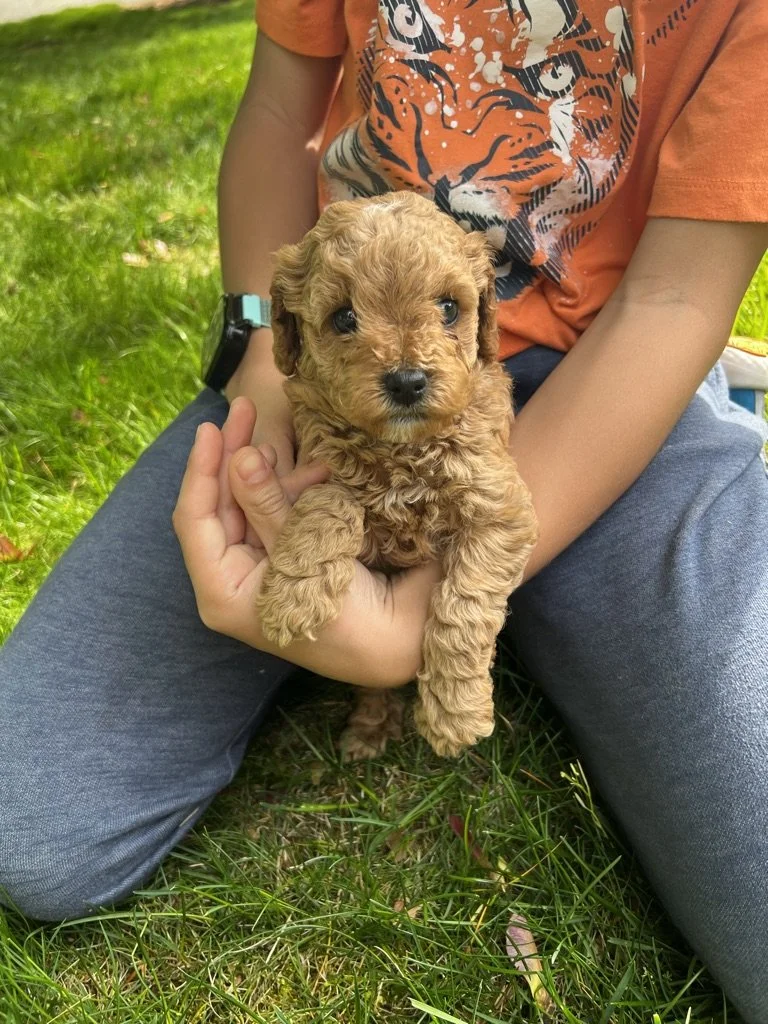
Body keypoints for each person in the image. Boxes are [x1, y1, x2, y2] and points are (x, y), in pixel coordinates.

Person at [1, 0, 767, 1019]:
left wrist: (424, 619)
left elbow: (673, 296)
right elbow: (281, 117)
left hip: (618, 383)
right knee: (35, 818)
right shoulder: (299, 345)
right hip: (328, 387)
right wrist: (260, 365)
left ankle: (657, 482)